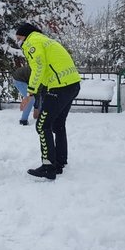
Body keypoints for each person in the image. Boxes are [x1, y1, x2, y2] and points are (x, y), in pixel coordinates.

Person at [15, 23, 81, 181]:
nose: (18, 42)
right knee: (58, 124)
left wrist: (30, 93)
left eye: (19, 38)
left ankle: (48, 166)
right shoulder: (46, 40)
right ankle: (60, 162)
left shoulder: (33, 42)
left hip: (58, 88)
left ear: (26, 35)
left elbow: (39, 66)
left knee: (42, 125)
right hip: (71, 85)